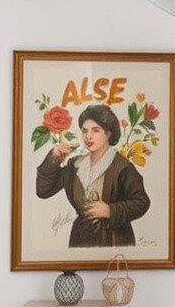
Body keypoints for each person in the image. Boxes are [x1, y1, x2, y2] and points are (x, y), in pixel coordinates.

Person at [36, 104, 150, 248]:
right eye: (84, 131)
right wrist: (54, 158)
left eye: (95, 130)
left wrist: (110, 211)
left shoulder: (123, 167)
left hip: (115, 241)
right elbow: (43, 191)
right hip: (80, 241)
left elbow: (142, 202)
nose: (88, 136)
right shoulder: (74, 165)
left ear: (109, 133)